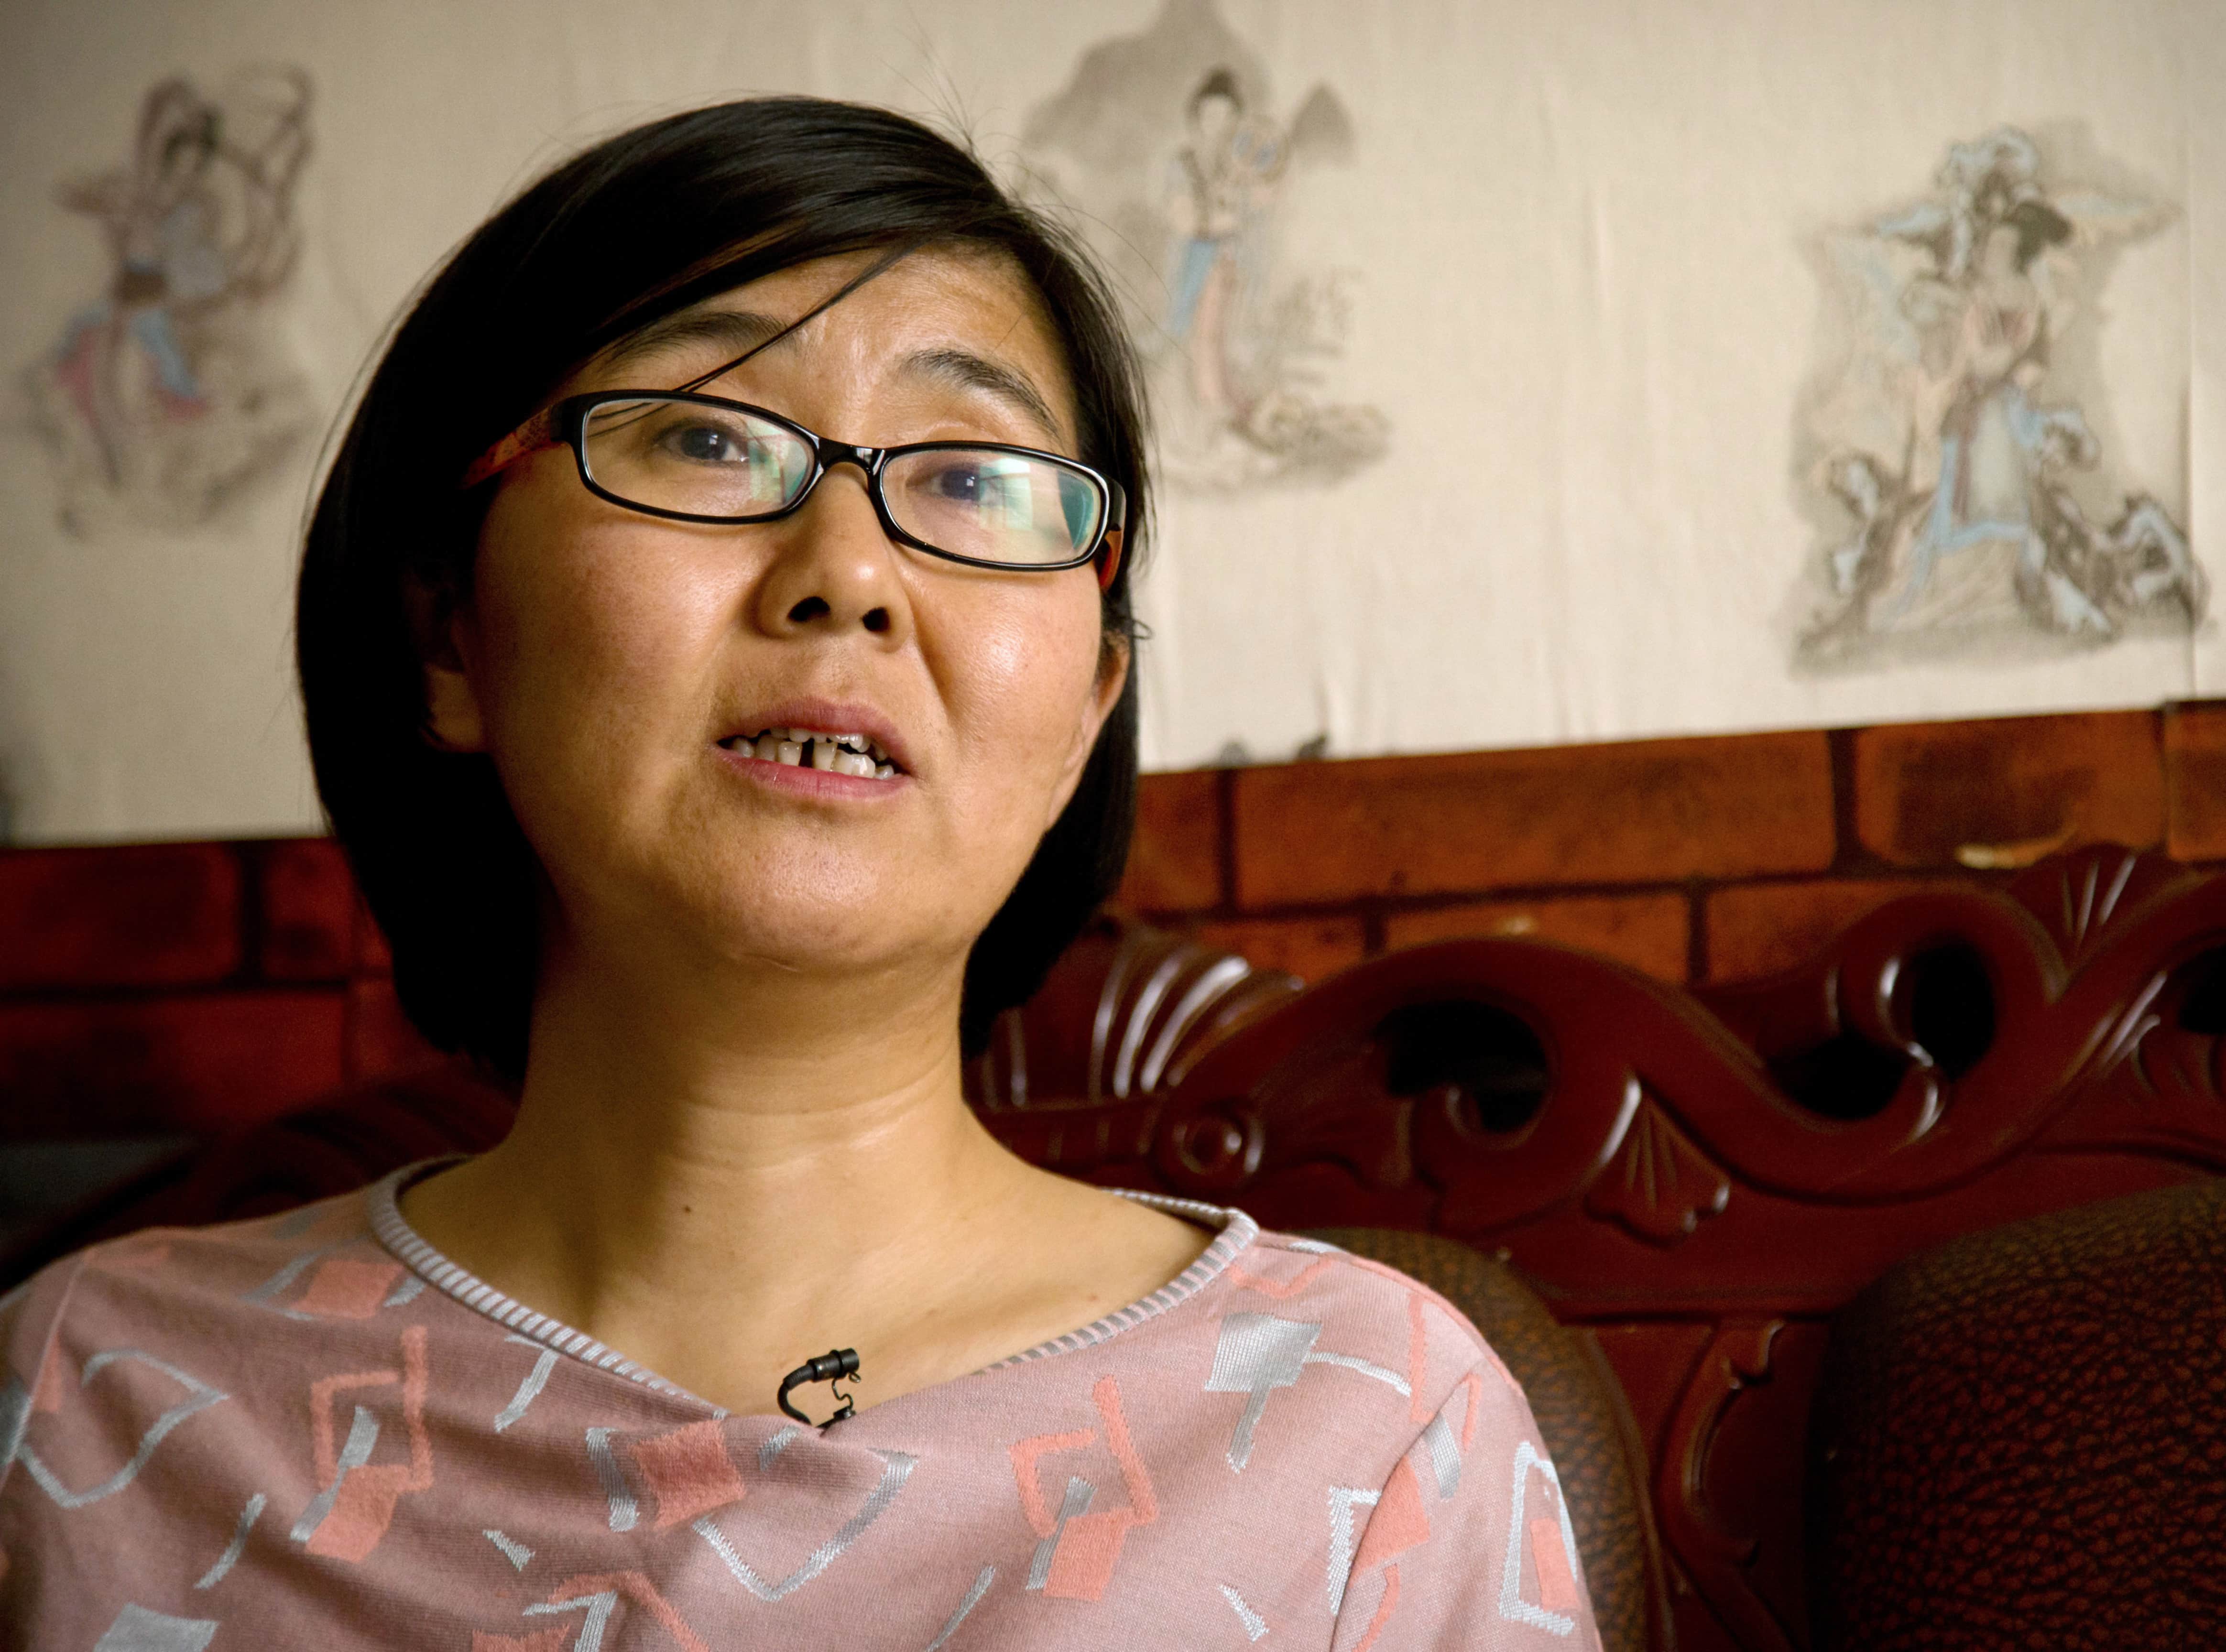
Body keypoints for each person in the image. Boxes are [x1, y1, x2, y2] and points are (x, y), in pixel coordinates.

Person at [0, 98, 1599, 1650]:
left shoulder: (1365, 1434)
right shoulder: (84, 1403)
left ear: (1084, 713)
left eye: (972, 480)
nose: (848, 574)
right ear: (449, 638)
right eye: (704, 435)